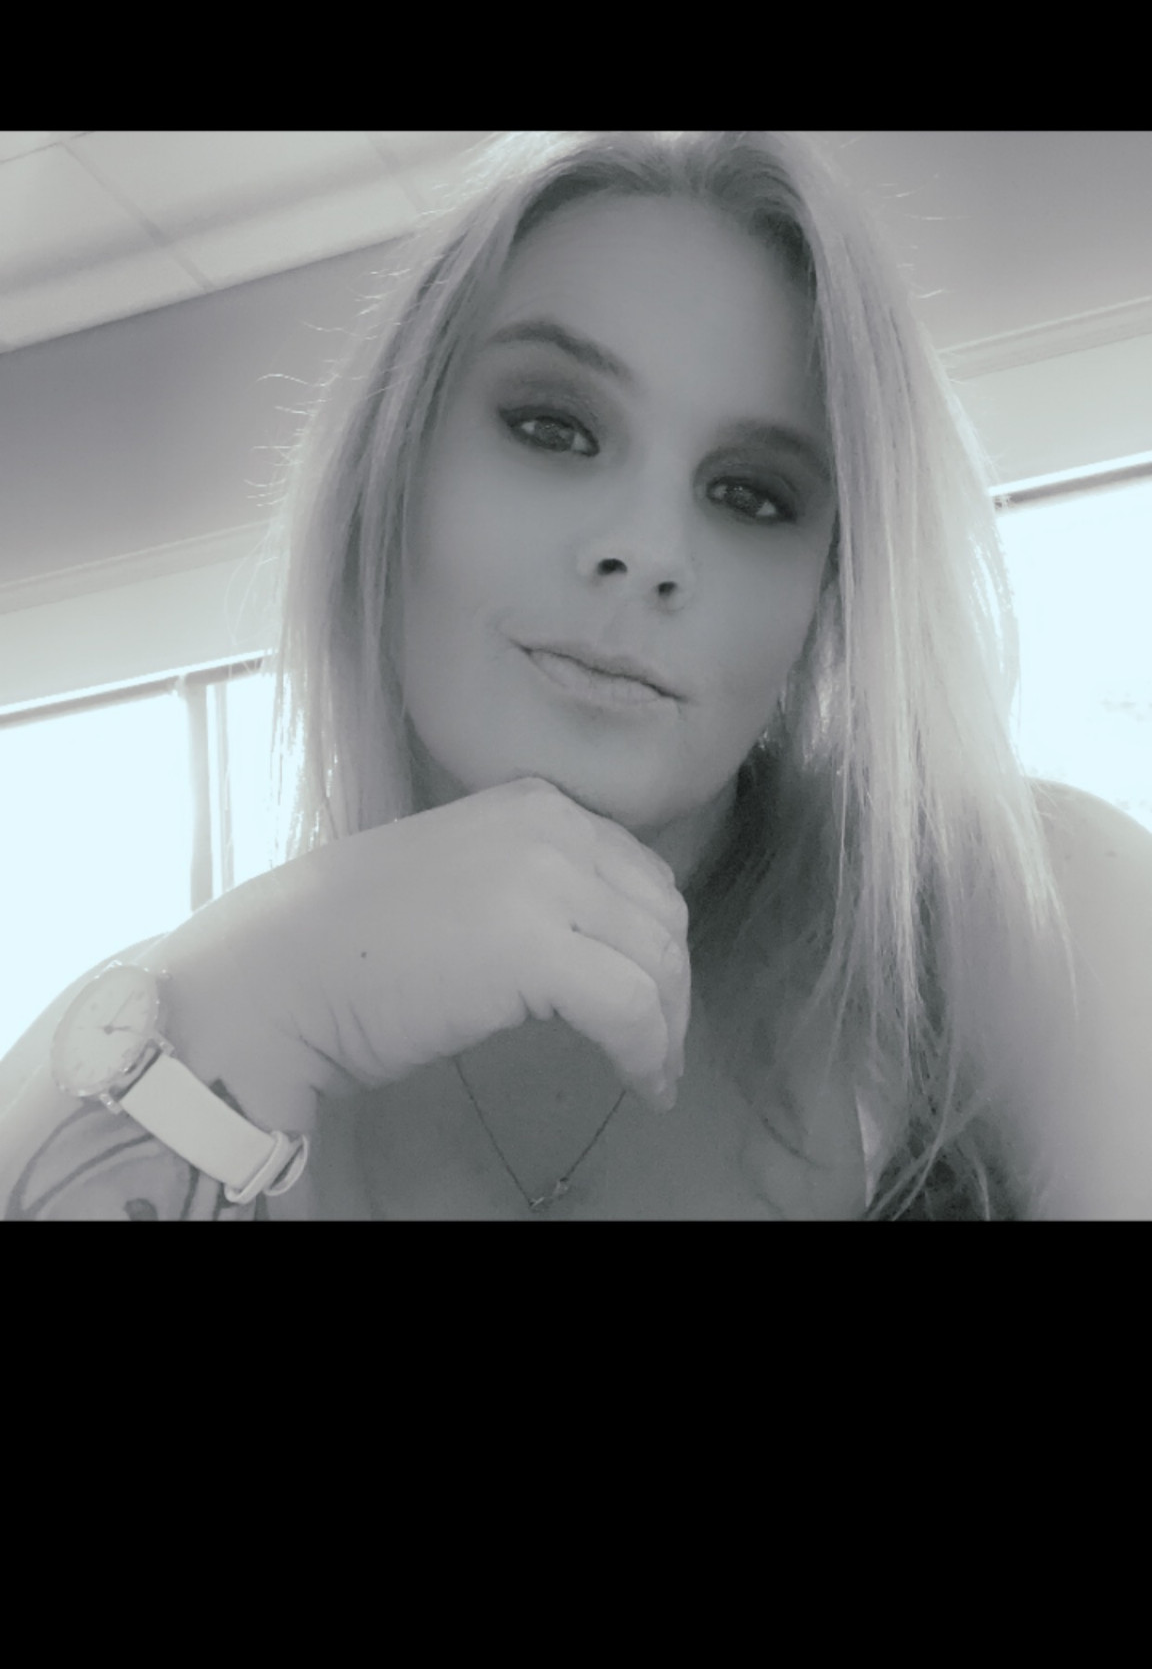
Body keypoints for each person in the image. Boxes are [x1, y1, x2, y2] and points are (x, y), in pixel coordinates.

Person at [2, 129, 1150, 1220]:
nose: (648, 548)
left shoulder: (1020, 921)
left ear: (825, 598)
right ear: (391, 468)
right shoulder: (197, 1042)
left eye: (752, 494)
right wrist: (230, 999)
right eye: (554, 427)